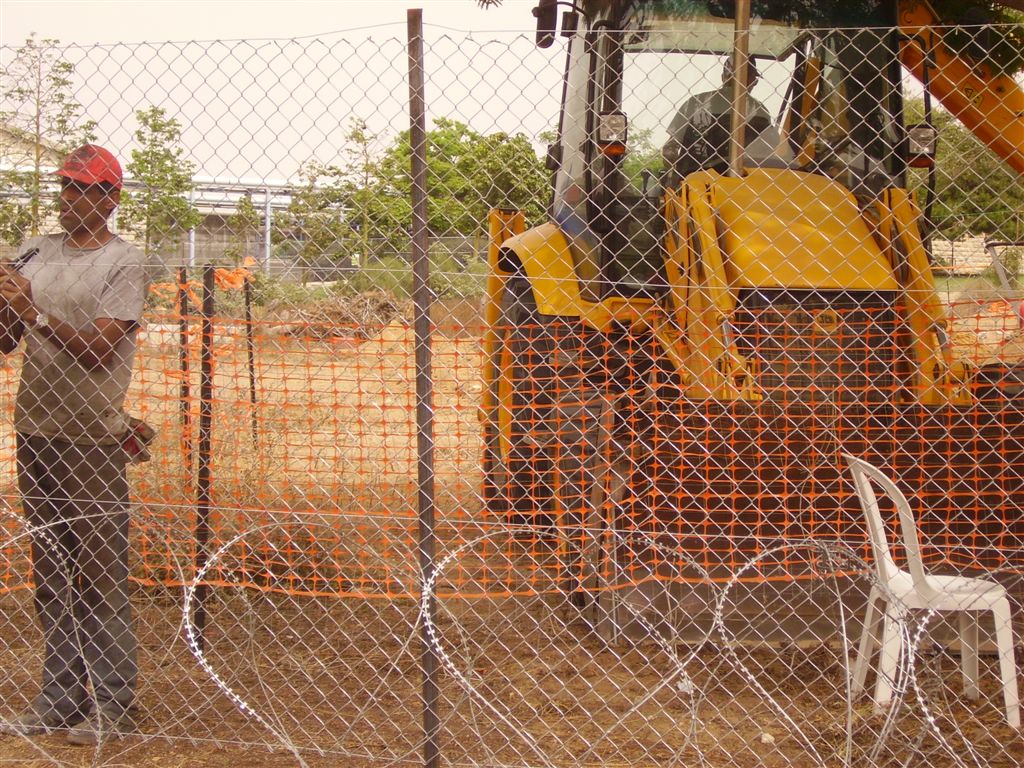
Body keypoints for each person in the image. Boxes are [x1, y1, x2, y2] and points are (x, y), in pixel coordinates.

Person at [0, 144, 147, 746]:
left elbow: (98, 350)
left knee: (99, 572)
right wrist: (6, 304)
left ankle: (113, 702)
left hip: (91, 437)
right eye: (66, 187)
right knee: (51, 571)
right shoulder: (36, 252)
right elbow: (7, 341)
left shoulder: (124, 262)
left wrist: (31, 313)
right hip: (37, 429)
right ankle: (60, 699)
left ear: (110, 198)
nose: (70, 199)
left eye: (85, 189)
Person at [662, 56, 776, 176]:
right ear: (752, 81)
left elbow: (669, 151)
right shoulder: (759, 110)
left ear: (723, 78)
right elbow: (769, 150)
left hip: (695, 183)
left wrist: (676, 176)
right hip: (745, 183)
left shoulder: (695, 103)